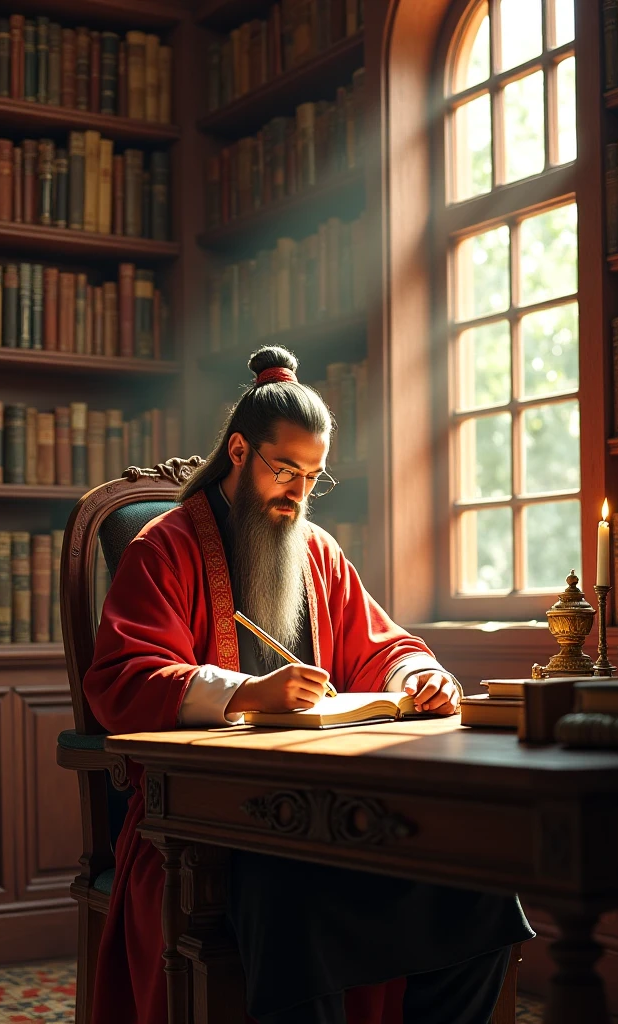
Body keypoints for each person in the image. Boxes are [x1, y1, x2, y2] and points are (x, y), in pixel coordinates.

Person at [83, 346, 533, 1024]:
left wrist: (420, 678)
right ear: (239, 451)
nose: (298, 494)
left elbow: (384, 646)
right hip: (208, 824)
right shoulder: (163, 548)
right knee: (292, 902)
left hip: (333, 809)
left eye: (312, 477)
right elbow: (124, 677)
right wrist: (244, 693)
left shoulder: (317, 550)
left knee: (480, 891)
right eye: (285, 470)